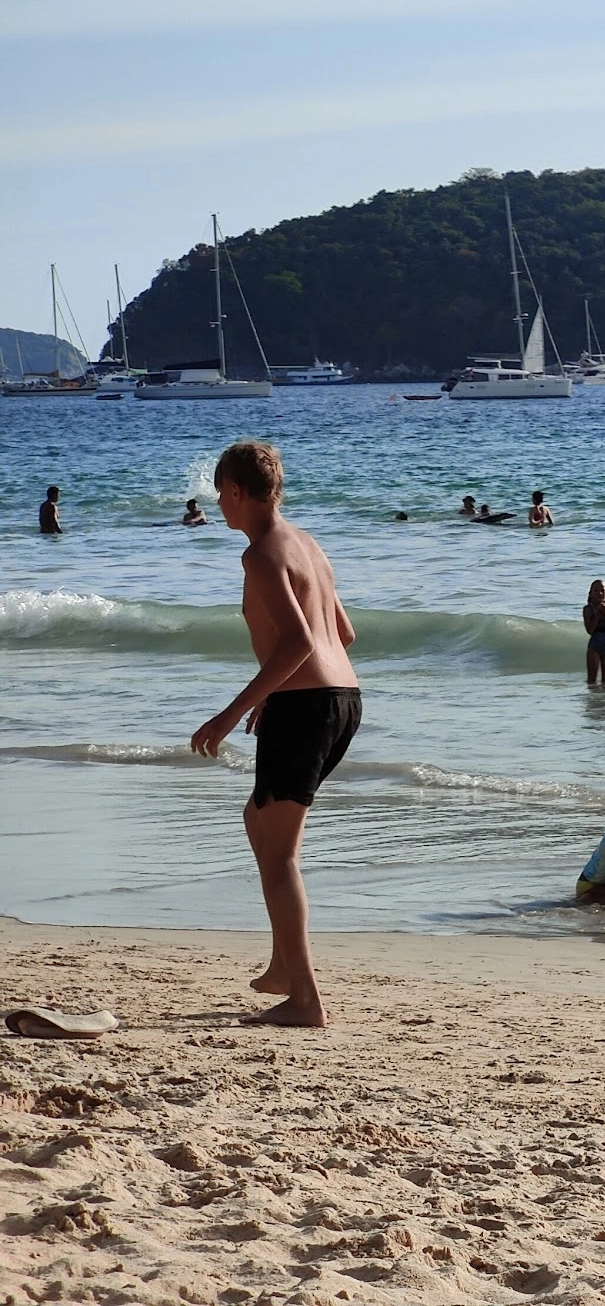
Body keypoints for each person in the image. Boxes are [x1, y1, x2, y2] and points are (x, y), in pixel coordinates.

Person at [188, 441, 360, 1029]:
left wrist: (233, 712)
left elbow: (299, 643)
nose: (219, 505)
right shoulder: (308, 545)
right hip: (343, 701)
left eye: (221, 494)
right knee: (258, 818)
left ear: (236, 492)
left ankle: (306, 998)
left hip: (307, 705)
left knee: (280, 853)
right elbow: (343, 633)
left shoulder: (261, 554)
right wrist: (277, 695)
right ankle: (285, 965)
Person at [583, 579, 605, 686]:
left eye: (602, 590)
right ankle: (592, 700)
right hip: (595, 647)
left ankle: (604, 701)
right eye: (596, 590)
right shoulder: (588, 609)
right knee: (592, 680)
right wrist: (598, 614)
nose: (599, 593)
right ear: (591, 593)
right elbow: (590, 630)